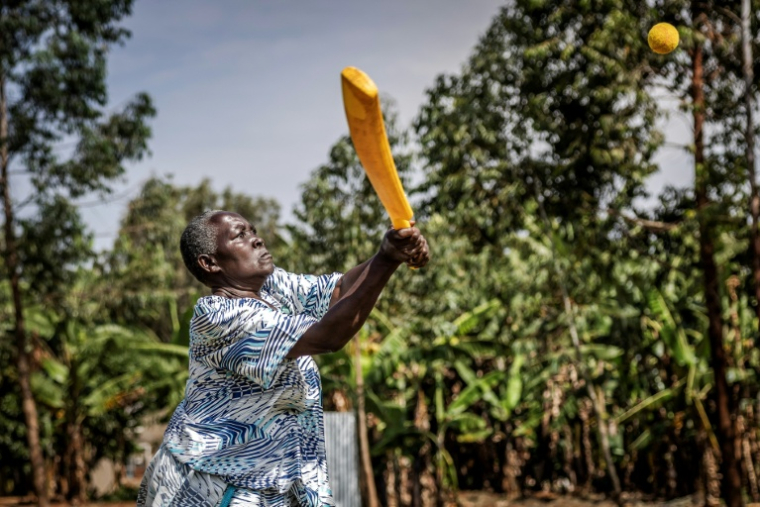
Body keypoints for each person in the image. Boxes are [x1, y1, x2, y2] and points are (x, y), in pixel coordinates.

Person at [137, 210, 430, 507]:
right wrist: (385, 260)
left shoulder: (272, 288)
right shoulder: (217, 316)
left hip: (275, 488)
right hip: (212, 488)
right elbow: (329, 336)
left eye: (253, 230)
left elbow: (340, 290)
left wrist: (390, 253)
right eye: (241, 235)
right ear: (210, 262)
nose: (257, 239)